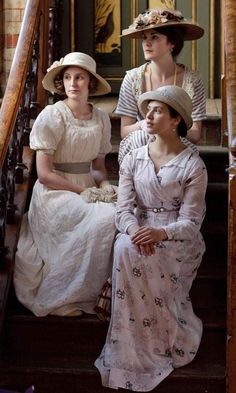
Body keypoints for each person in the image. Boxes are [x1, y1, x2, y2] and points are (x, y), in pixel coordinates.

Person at [95, 85, 208, 391]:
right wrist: (135, 230)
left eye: (158, 110)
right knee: (124, 247)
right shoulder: (133, 157)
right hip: (139, 230)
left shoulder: (193, 165)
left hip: (175, 237)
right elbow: (123, 210)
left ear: (175, 120)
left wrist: (160, 233)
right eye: (149, 109)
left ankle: (168, 337)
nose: (149, 115)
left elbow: (191, 222)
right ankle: (130, 346)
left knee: (149, 253)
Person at [14, 52, 117, 317]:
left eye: (80, 77)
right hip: (55, 193)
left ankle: (95, 292)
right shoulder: (53, 115)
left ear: (90, 83)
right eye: (68, 77)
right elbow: (45, 174)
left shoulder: (102, 118)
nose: (73, 83)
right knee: (101, 220)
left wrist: (105, 186)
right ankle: (65, 293)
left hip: (86, 185)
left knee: (116, 214)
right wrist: (86, 193)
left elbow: (96, 167)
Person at [116, 8, 206, 164]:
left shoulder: (192, 80)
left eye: (155, 37)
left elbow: (195, 133)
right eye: (144, 38)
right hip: (141, 145)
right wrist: (146, 125)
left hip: (177, 147)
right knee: (140, 137)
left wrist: (164, 130)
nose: (146, 43)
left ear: (172, 43)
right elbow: (125, 131)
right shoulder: (132, 78)